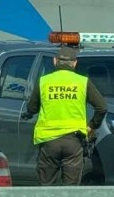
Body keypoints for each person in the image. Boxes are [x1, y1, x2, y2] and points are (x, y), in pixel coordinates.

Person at [25, 45, 108, 186]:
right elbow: (102, 107)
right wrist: (91, 126)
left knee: (45, 187)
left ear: (55, 61)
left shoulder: (44, 81)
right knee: (70, 189)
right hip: (73, 141)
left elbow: (31, 109)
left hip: (48, 141)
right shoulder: (82, 82)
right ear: (74, 63)